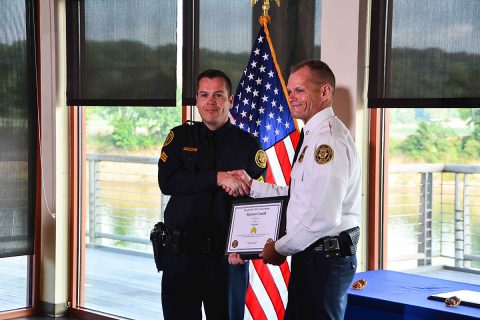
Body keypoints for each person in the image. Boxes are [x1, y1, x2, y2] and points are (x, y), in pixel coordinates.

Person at [227, 60, 362, 320]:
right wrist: (252, 186)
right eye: (290, 91)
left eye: (299, 91)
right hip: (312, 255)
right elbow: (300, 195)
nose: (292, 98)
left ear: (324, 93)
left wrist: (279, 248)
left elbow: (323, 217)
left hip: (324, 260)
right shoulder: (313, 134)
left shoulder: (327, 141)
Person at [157, 69, 266, 320]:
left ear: (231, 101)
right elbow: (167, 182)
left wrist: (248, 247)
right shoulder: (179, 137)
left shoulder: (249, 145)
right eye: (204, 94)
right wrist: (218, 177)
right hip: (180, 255)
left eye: (218, 94)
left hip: (226, 259)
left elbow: (256, 203)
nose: (211, 101)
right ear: (196, 99)